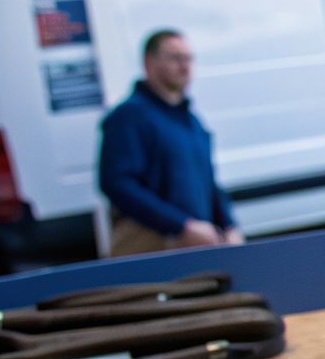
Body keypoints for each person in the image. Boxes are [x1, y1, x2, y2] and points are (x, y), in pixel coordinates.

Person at [98, 29, 244, 257]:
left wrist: (229, 226)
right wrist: (180, 224)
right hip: (151, 248)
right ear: (149, 63)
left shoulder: (191, 121)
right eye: (175, 59)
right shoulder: (129, 117)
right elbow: (117, 183)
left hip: (194, 245)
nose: (185, 67)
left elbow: (208, 182)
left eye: (188, 59)